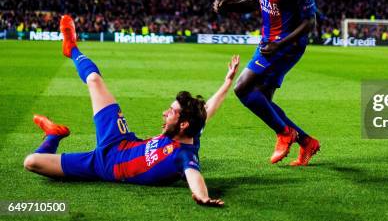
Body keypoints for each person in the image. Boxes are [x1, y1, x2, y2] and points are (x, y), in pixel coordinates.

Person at [23, 15, 239, 206]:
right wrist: (227, 82)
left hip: (103, 166)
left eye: (171, 111)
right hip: (121, 139)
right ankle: (71, 48)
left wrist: (202, 196)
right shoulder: (193, 127)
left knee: (31, 162)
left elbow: (194, 175)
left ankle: (53, 135)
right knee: (94, 80)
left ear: (184, 124)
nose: (165, 113)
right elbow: (208, 108)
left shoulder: (184, 155)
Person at [213, 0, 320, 166]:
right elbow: (254, 1)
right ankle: (306, 142)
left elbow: (310, 22)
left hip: (287, 46)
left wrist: (280, 44)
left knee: (242, 88)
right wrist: (229, 6)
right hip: (267, 43)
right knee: (263, 101)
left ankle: (285, 133)